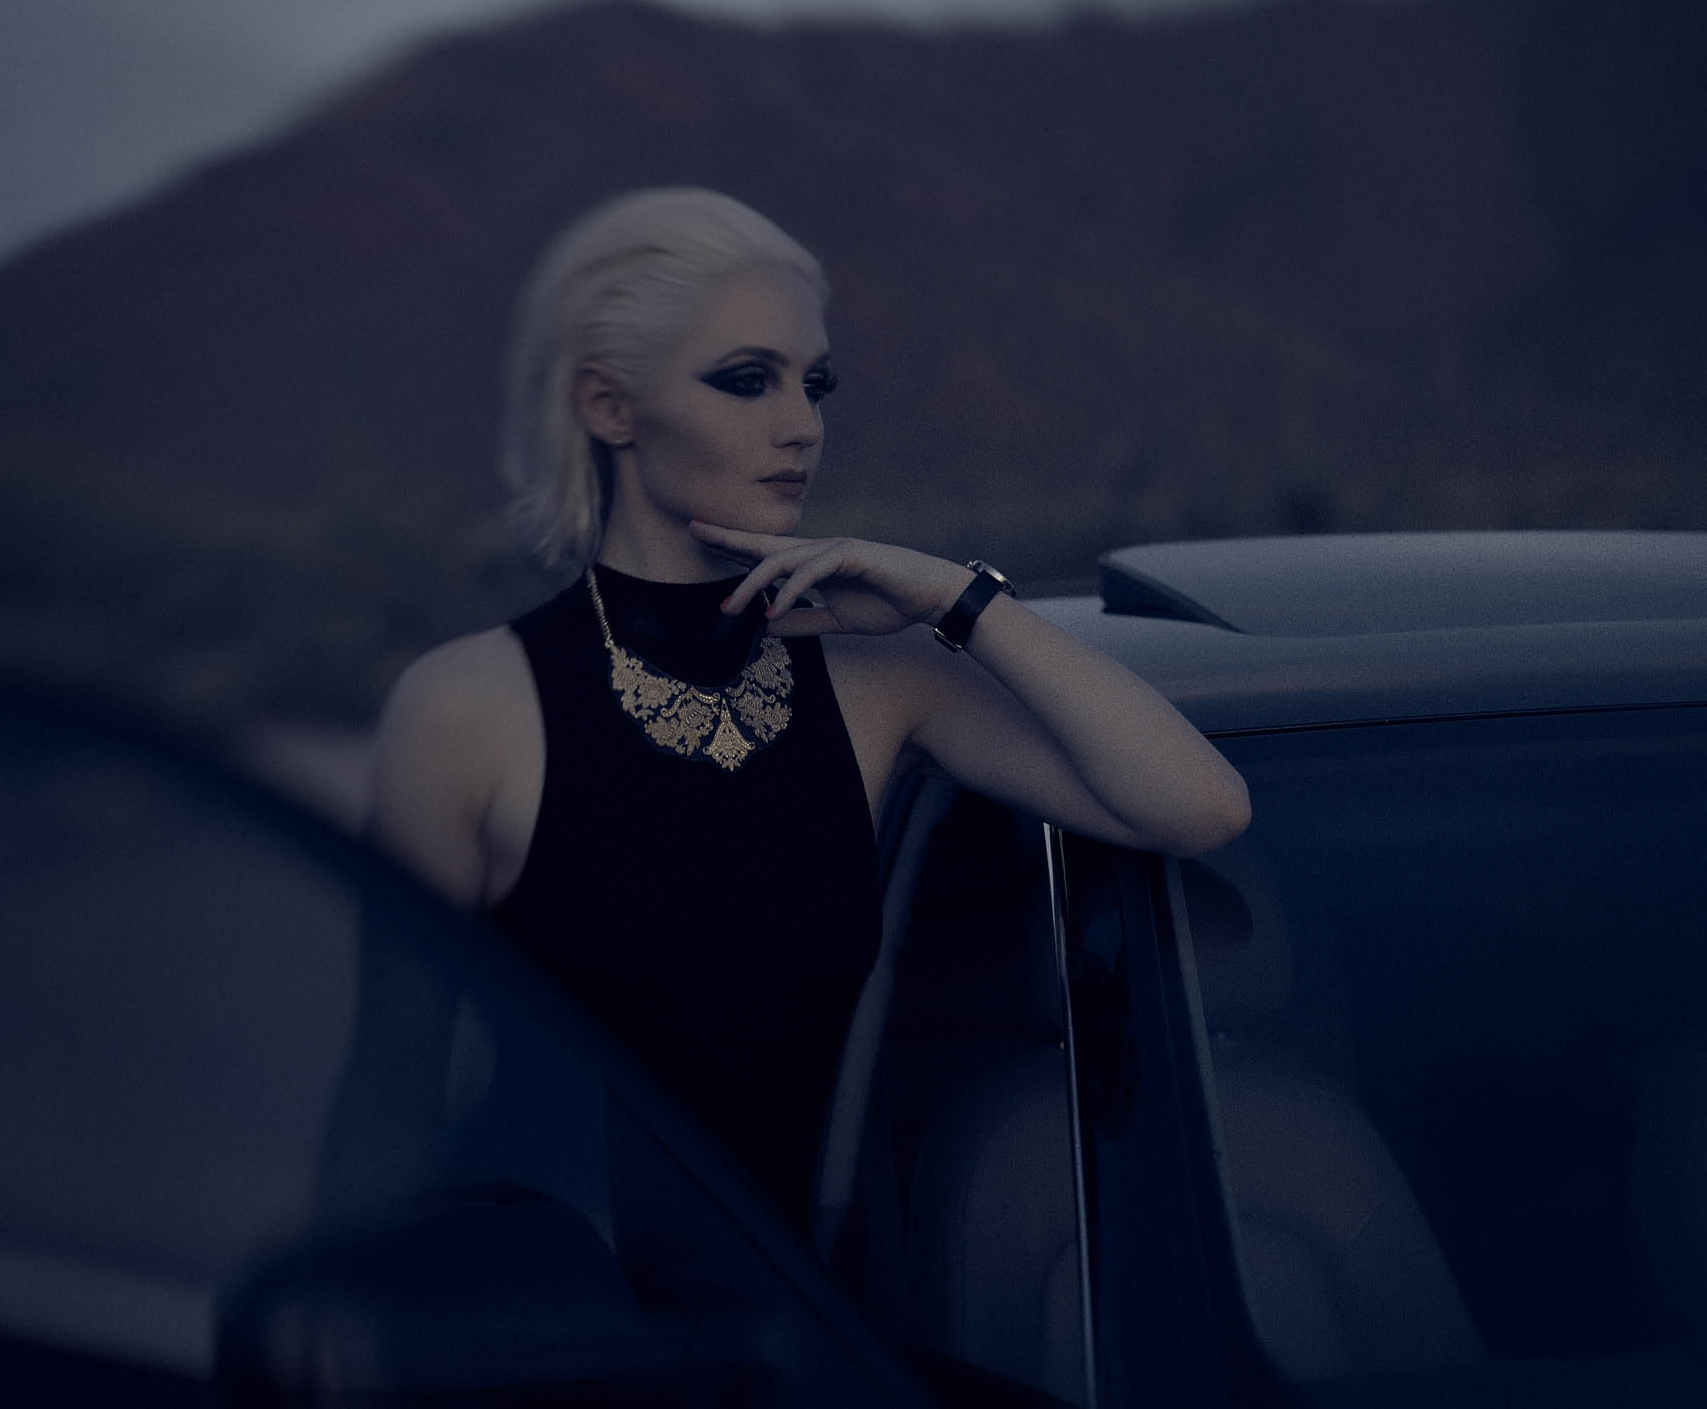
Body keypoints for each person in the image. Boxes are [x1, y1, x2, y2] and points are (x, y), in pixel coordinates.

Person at [366, 187, 1249, 1239]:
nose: (801, 427)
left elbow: (1200, 806)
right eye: (748, 381)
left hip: (783, 1305)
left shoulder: (878, 680)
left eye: (814, 384)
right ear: (609, 407)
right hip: (538, 1303)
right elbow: (387, 1094)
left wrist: (956, 598)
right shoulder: (464, 709)